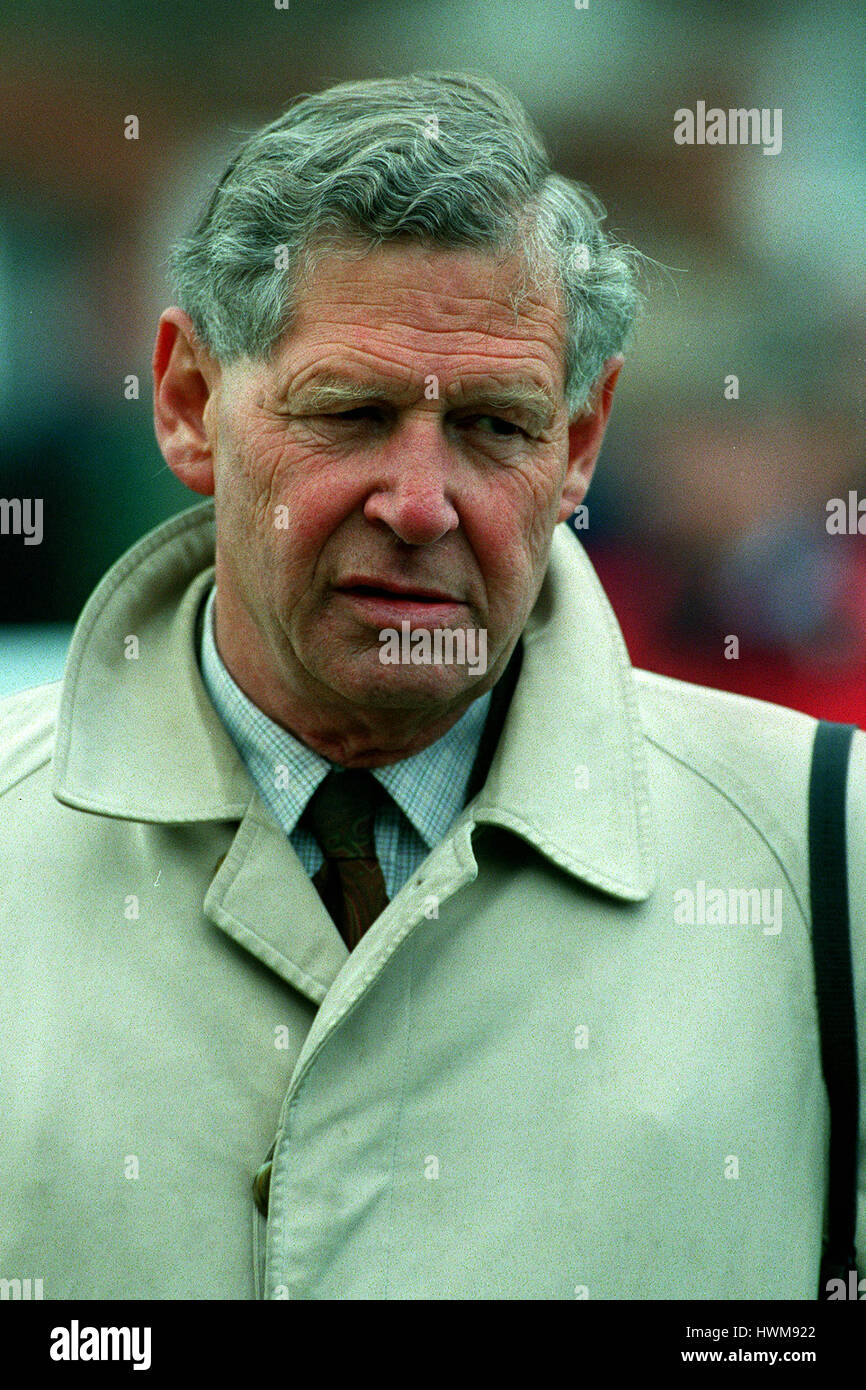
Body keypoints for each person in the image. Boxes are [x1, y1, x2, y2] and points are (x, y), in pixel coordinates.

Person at [1, 71, 863, 1301]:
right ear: (188, 403)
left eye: (495, 427)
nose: (418, 502)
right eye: (347, 414)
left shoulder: (824, 852)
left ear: (578, 444)